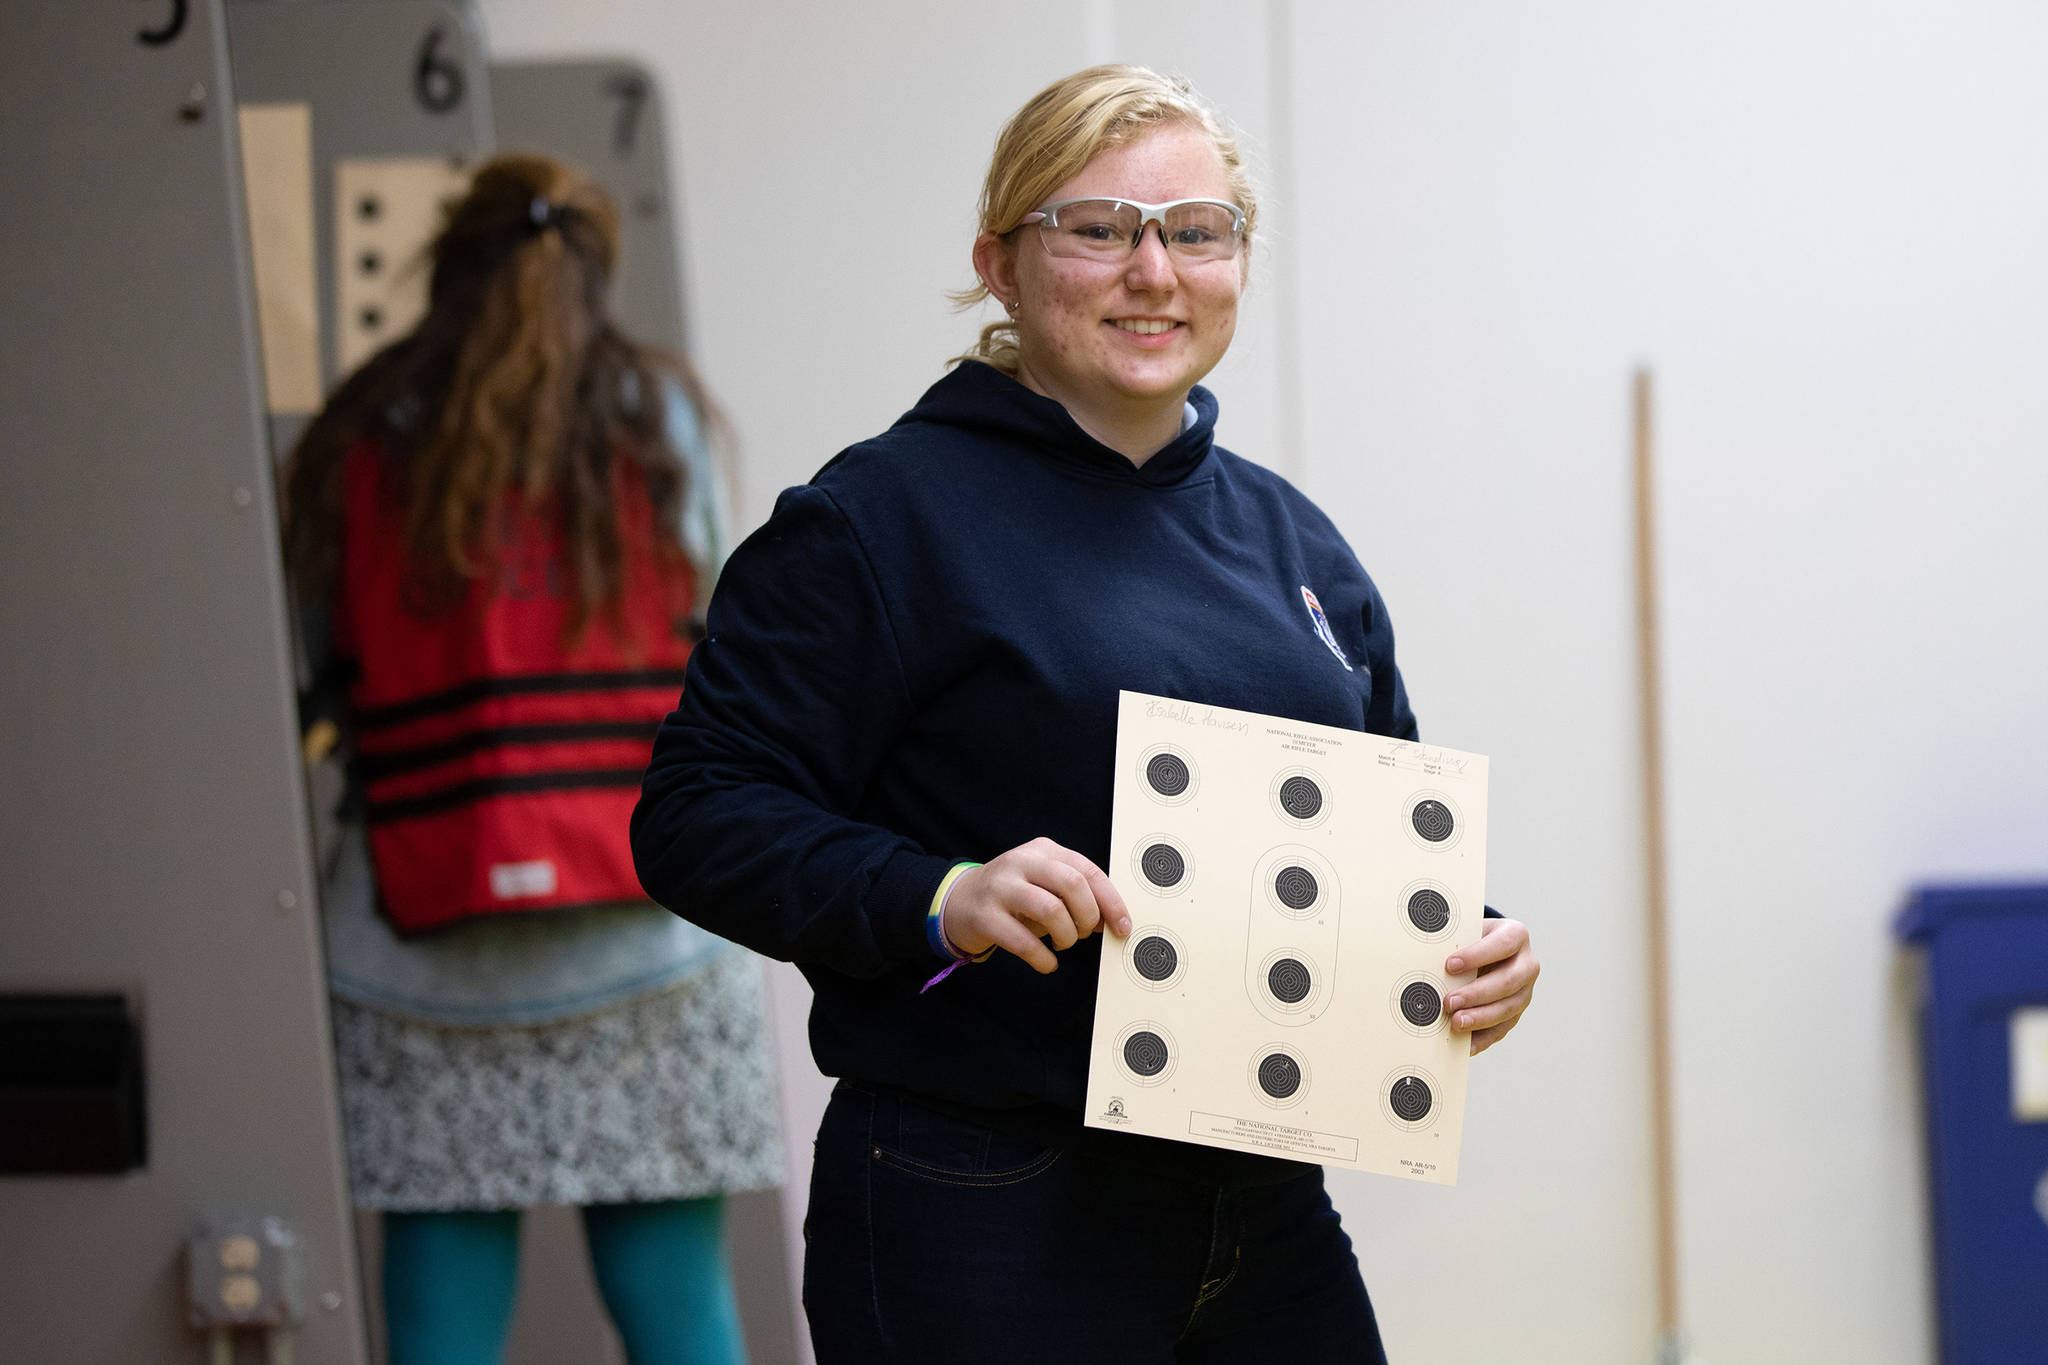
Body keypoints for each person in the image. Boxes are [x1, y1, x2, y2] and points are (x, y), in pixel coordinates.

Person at [632, 66, 1540, 1364]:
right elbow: (696, 814)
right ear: (1000, 265)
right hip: (983, 1202)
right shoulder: (878, 520)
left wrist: (1475, 937)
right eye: (1099, 227)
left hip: (1266, 1204)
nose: (1153, 271)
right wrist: (939, 894)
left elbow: (1383, 835)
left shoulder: (1295, 543)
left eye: (1196, 230)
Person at [283, 154, 776, 1365]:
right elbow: (723, 629)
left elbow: (317, 661)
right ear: (594, 276)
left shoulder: (358, 433)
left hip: (417, 947)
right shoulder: (659, 419)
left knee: (439, 1327)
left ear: (447, 269)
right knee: (679, 1315)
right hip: (653, 936)